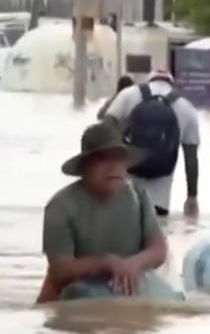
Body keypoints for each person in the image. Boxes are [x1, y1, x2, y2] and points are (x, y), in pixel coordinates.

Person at [37, 122, 176, 303]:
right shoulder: (61, 207)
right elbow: (60, 271)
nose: (114, 166)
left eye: (119, 159)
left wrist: (134, 263)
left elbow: (158, 250)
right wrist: (107, 263)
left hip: (129, 287)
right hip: (74, 293)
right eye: (103, 159)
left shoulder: (139, 197)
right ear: (85, 167)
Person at [101, 70, 200, 218]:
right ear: (171, 84)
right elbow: (191, 159)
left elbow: (104, 131)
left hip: (123, 194)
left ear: (149, 80)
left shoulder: (128, 94)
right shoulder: (186, 108)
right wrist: (192, 196)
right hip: (159, 202)